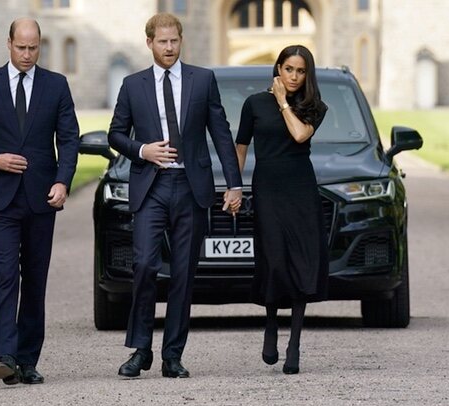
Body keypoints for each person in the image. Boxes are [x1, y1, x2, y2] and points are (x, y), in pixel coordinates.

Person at [109, 13, 243, 379]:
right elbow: (115, 134)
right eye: (162, 42)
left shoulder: (203, 80)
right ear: (149, 42)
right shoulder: (132, 85)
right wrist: (143, 151)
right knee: (145, 265)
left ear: (181, 40)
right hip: (151, 186)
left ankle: (173, 355)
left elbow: (220, 132)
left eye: (174, 41)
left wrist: (234, 184)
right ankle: (140, 349)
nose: (169, 48)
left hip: (191, 186)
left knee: (184, 272)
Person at [0, 18, 80, 386]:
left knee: (35, 280)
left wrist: (62, 181)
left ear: (40, 46)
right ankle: (4, 354)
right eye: (21, 47)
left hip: (42, 198)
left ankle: (27, 360)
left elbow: (69, 139)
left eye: (33, 48)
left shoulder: (56, 85)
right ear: (8, 43)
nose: (27, 55)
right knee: (6, 273)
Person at [234, 45, 329, 375]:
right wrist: (235, 185)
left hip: (300, 188)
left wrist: (283, 103)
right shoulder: (254, 104)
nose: (294, 76)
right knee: (274, 260)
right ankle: (272, 325)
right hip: (268, 189)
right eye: (289, 69)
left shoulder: (313, 106)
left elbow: (300, 134)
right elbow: (241, 147)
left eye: (301, 71)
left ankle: (295, 344)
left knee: (301, 260)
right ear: (278, 68)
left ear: (307, 75)